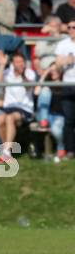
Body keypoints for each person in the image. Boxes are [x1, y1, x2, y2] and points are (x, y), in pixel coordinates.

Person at [0, 52, 36, 163]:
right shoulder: (7, 73)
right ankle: (6, 152)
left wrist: (22, 74)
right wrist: (2, 65)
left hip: (25, 108)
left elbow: (29, 88)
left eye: (21, 61)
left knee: (9, 118)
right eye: (17, 62)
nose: (20, 64)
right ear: (12, 63)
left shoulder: (30, 73)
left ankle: (6, 153)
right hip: (9, 107)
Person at [33, 63, 65, 162]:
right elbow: (36, 92)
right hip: (44, 115)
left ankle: (60, 147)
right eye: (52, 70)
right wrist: (45, 73)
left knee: (56, 130)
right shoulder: (47, 83)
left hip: (58, 115)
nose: (53, 72)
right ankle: (44, 120)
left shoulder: (64, 83)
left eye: (56, 70)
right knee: (45, 89)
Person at [55, 17, 75, 159]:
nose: (71, 30)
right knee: (68, 120)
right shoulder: (63, 44)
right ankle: (69, 151)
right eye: (69, 27)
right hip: (67, 84)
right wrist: (65, 61)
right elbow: (57, 64)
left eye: (74, 27)